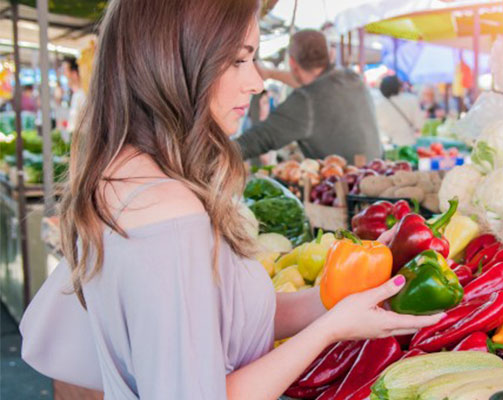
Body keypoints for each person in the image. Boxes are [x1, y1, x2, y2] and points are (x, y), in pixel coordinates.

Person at [19, 1, 442, 399]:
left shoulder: (121, 176)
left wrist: (337, 295)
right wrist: (331, 329)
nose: (258, 82)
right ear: (178, 61)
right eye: (240, 59)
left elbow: (228, 321)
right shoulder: (169, 216)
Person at [237, 29, 382, 163]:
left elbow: (257, 140)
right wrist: (269, 73)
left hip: (344, 188)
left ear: (292, 63)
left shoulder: (305, 101)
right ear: (330, 55)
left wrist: (218, 155)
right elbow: (311, 83)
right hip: (380, 178)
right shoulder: (351, 78)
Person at [374, 75, 424, 146]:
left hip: (388, 145)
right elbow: (419, 125)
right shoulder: (411, 99)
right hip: (409, 144)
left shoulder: (377, 104)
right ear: (399, 87)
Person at [61, 56, 86, 135]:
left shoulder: (82, 96)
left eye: (65, 70)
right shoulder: (74, 95)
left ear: (74, 73)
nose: (64, 74)